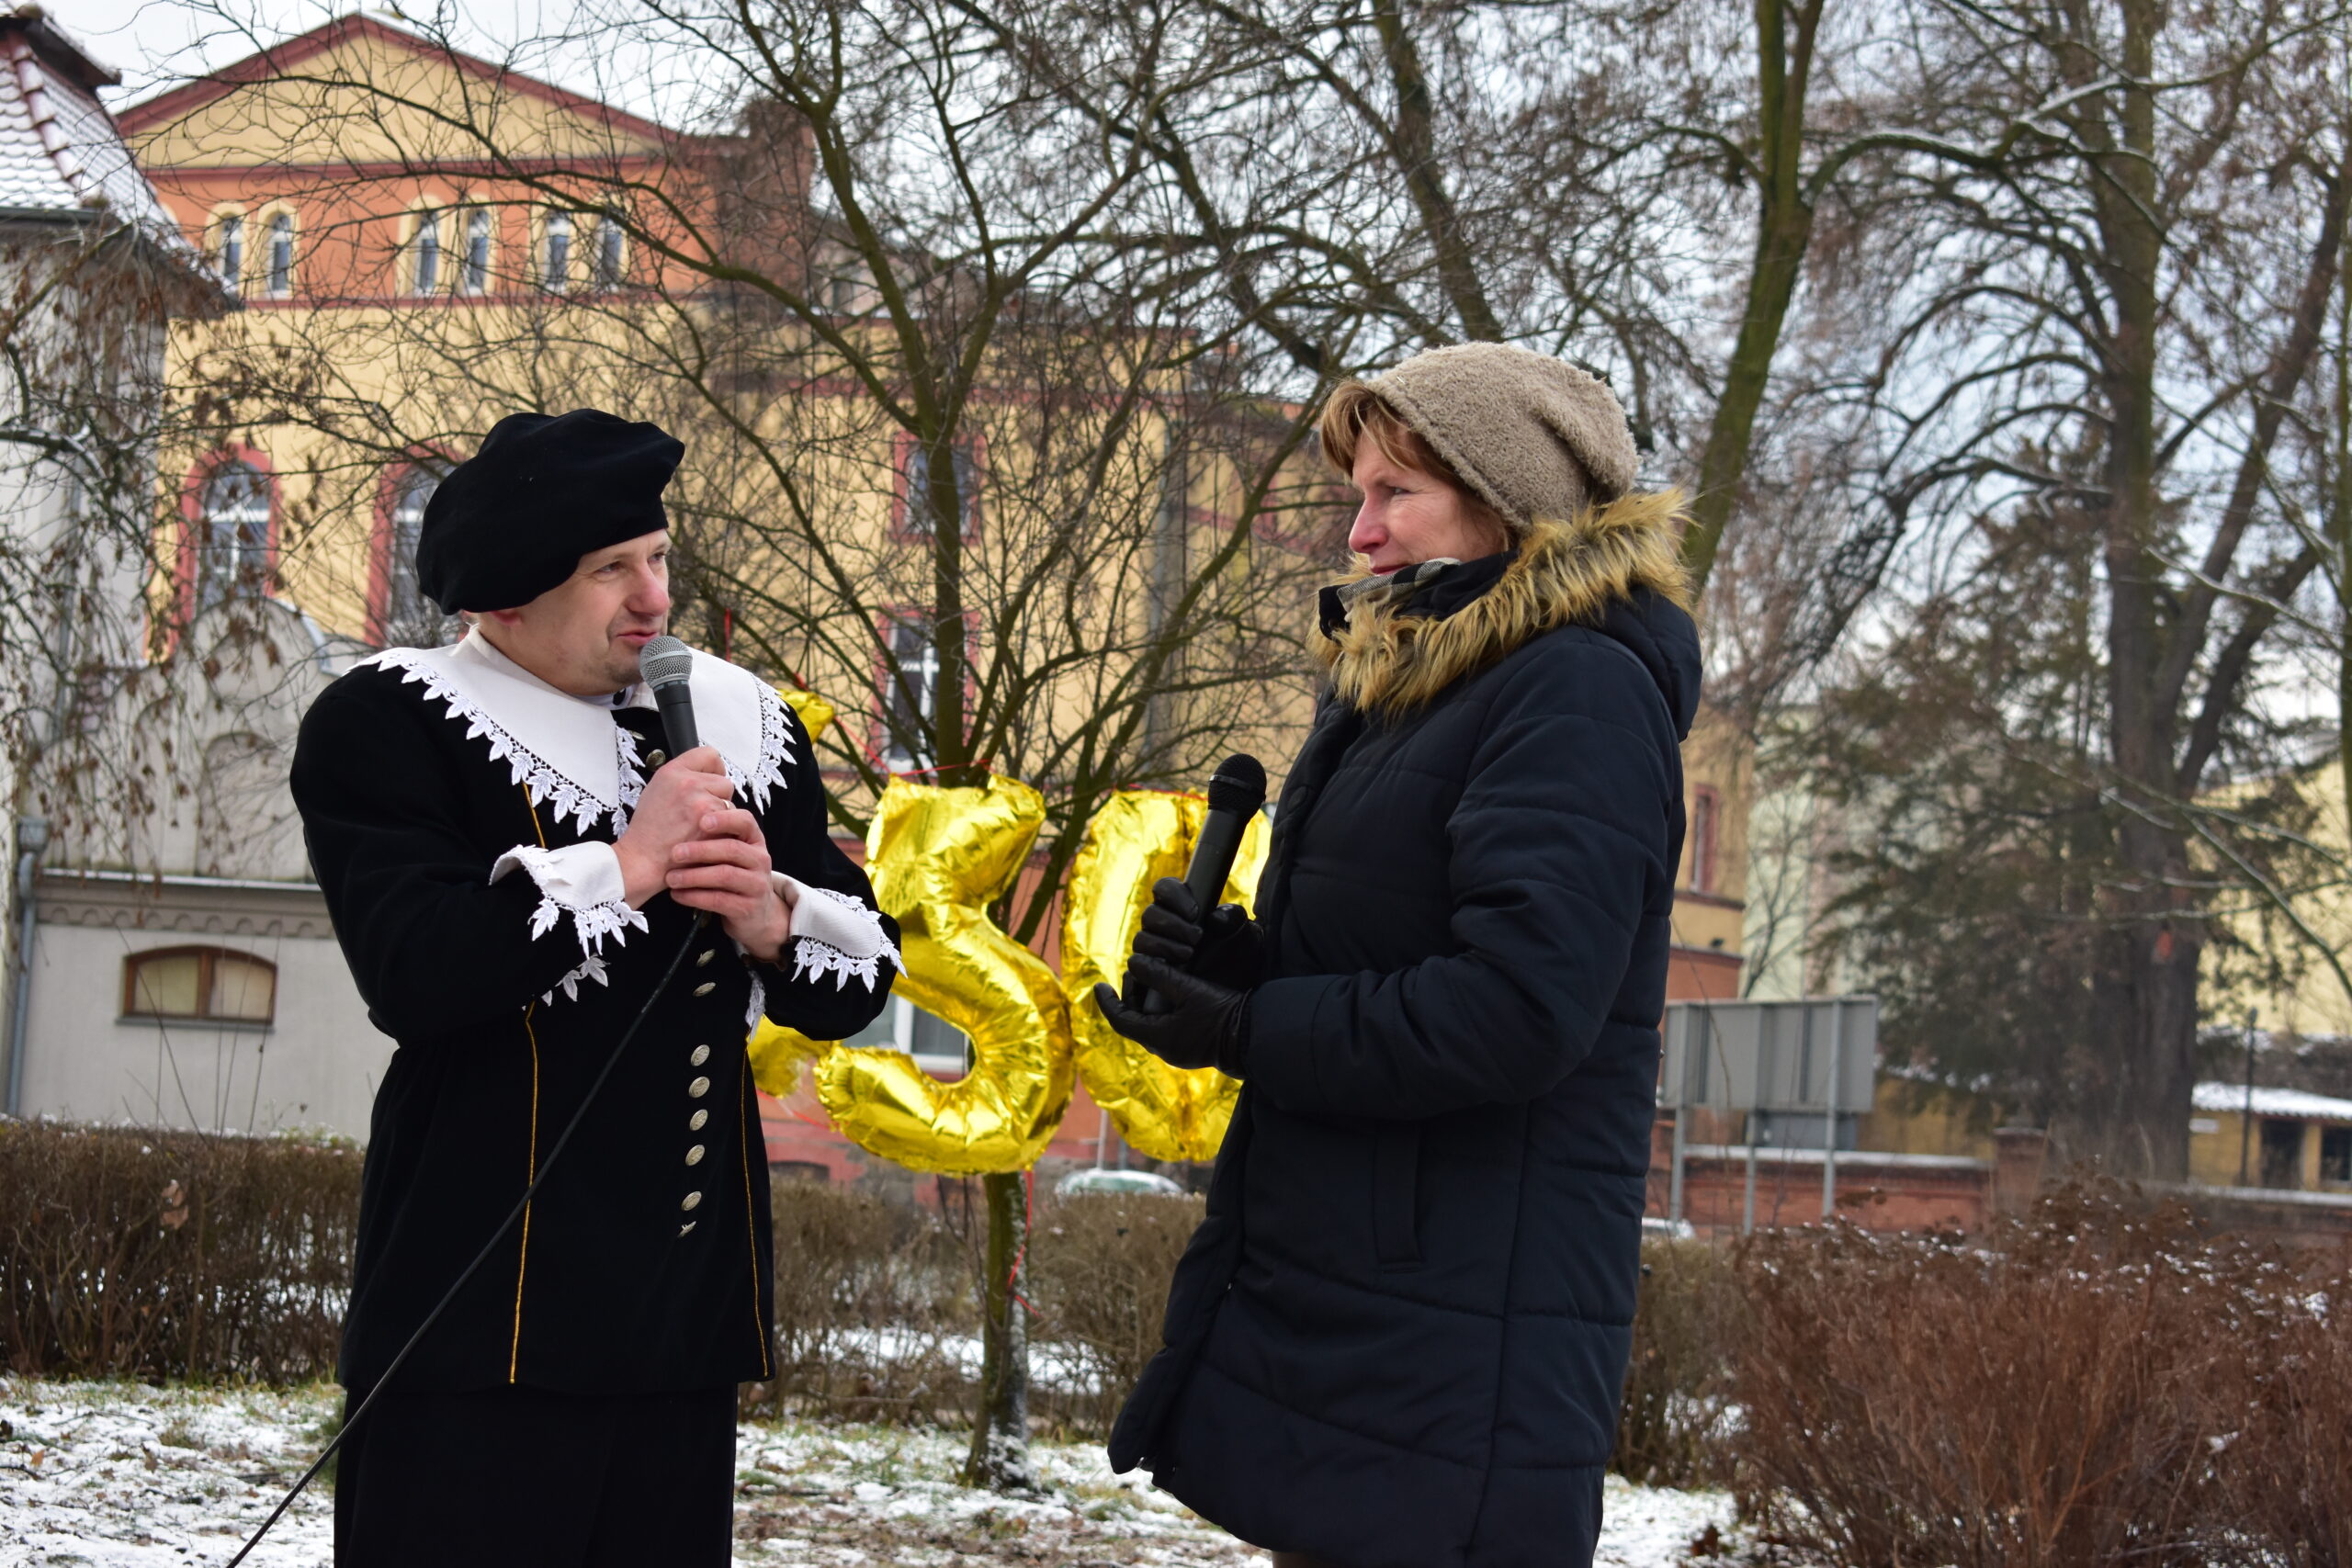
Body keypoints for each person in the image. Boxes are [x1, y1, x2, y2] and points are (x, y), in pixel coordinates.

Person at [1096, 344, 1701, 1568]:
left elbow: (1517, 1008)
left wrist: (1248, 1029)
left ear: (1502, 499)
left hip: (1460, 1331)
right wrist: (1237, 969)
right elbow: (1388, 946)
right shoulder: (1423, 684)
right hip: (1371, 1298)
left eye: (1395, 493)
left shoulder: (1574, 692)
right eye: (1356, 494)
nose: (1359, 531)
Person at [289, 408, 899, 1566]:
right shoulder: (393, 719)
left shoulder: (742, 723)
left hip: (681, 1325)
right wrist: (626, 865)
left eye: (658, 557)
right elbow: (414, 972)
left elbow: (853, 983)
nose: (653, 598)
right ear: (508, 598)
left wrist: (769, 917)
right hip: (478, 1325)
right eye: (610, 569)